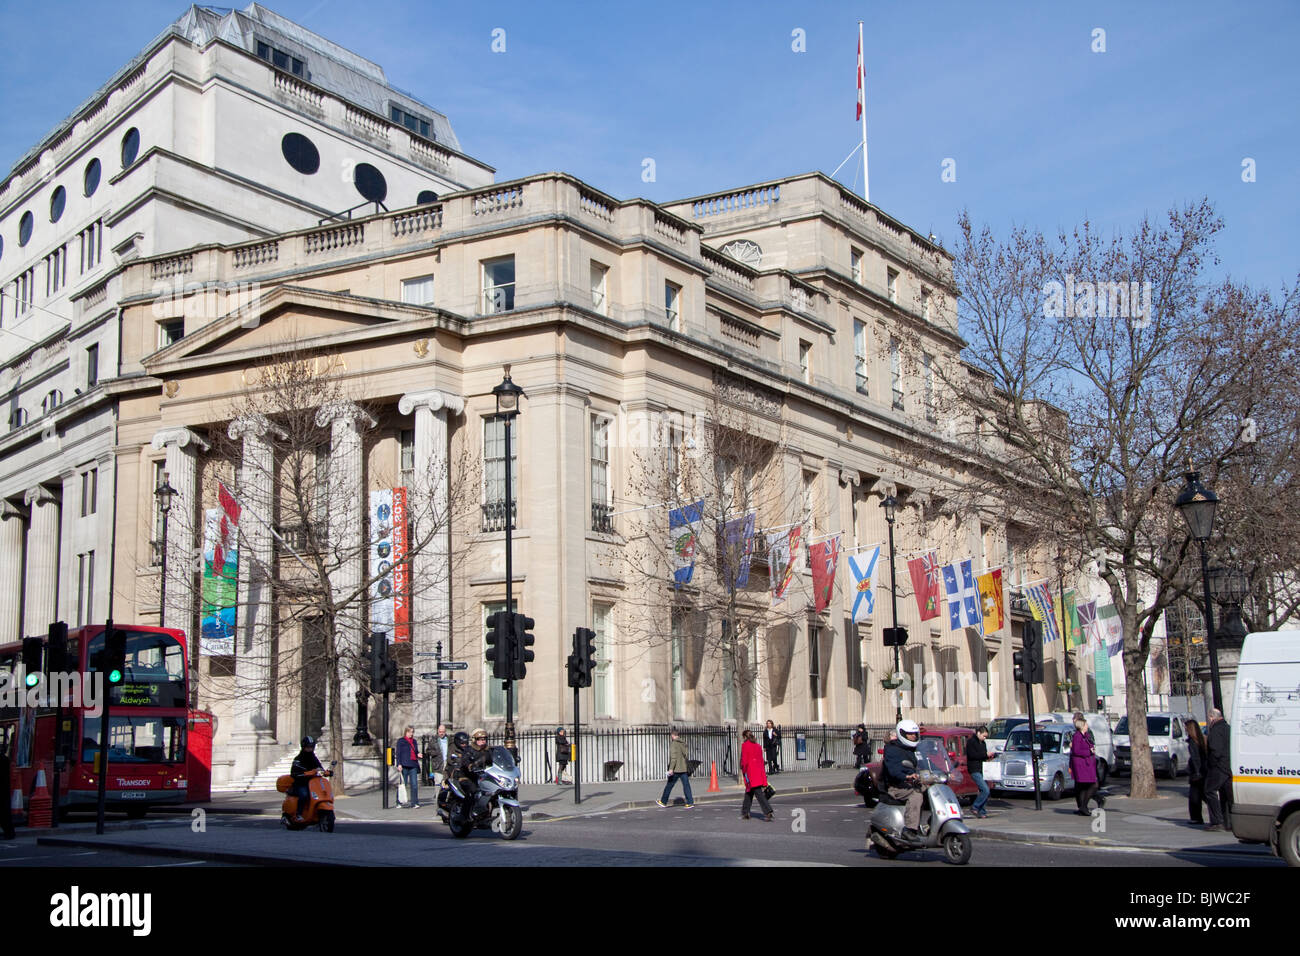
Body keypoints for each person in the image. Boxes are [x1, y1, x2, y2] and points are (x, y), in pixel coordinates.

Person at [882, 719, 925, 841]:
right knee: (916, 795)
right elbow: (893, 769)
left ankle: (931, 823)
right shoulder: (892, 749)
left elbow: (927, 762)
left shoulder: (913, 749)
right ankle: (909, 829)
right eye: (910, 734)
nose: (913, 736)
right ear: (902, 734)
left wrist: (942, 772)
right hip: (896, 786)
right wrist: (906, 776)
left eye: (915, 734)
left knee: (935, 789)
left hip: (911, 783)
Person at [1203, 709, 1232, 831]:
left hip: (1219, 767)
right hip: (1228, 766)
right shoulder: (1228, 728)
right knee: (1227, 795)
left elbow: (1216, 750)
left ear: (1211, 717)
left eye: (1209, 718)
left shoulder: (1215, 730)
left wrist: (1211, 764)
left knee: (1209, 791)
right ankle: (1228, 822)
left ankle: (1217, 821)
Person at [1069, 716, 1102, 815]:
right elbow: (1076, 750)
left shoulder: (1086, 735)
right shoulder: (1077, 736)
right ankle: (1083, 806)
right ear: (1082, 726)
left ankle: (1083, 807)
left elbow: (1090, 744)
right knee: (1093, 785)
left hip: (1088, 764)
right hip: (1081, 765)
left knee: (1084, 786)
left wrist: (1091, 748)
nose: (1087, 726)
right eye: (1086, 724)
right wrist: (1088, 751)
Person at [739, 729, 774, 821]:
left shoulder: (745, 746)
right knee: (749, 792)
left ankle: (768, 811)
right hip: (758, 771)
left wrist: (743, 769)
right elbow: (761, 760)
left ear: (745, 737)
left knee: (758, 793)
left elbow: (744, 761)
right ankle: (745, 812)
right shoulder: (758, 746)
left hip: (750, 772)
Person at [289, 736, 324, 823]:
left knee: (321, 793)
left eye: (311, 747)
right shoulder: (298, 759)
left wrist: (326, 772)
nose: (310, 749)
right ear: (303, 747)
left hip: (313, 783)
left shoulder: (313, 758)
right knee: (304, 794)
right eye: (308, 747)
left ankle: (316, 813)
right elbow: (294, 772)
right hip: (301, 783)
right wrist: (304, 774)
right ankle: (299, 814)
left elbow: (319, 767)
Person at [656, 729, 694, 808]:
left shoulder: (674, 744)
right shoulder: (683, 743)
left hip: (676, 769)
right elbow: (686, 755)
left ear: (673, 735)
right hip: (683, 768)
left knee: (669, 785)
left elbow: (673, 758)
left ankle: (663, 801)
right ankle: (690, 802)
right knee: (686, 785)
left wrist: (671, 769)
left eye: (671, 736)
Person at [966, 725, 992, 818]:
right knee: (985, 790)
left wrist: (988, 757)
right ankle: (975, 807)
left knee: (983, 790)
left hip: (982, 768)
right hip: (974, 769)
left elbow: (983, 756)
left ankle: (982, 812)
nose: (984, 738)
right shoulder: (971, 742)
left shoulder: (983, 743)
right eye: (983, 736)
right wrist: (985, 754)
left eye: (986, 736)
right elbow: (972, 755)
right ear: (978, 733)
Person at [1186, 718, 1207, 826]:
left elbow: (1195, 758)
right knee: (1202, 794)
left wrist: (1196, 771)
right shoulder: (1202, 739)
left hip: (1197, 773)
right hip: (1203, 771)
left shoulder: (1193, 742)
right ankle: (1197, 817)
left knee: (1195, 796)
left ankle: (1196, 817)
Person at [396, 725, 421, 809]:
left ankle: (414, 802)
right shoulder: (401, 741)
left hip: (413, 764)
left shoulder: (414, 741)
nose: (411, 734)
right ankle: (399, 802)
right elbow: (398, 753)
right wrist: (399, 764)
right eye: (410, 732)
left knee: (414, 785)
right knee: (403, 784)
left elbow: (416, 751)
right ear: (406, 732)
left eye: (412, 732)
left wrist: (418, 754)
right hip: (404, 765)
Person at [1, 739, 15, 840]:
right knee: (5, 813)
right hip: (4, 790)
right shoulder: (5, 759)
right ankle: (9, 832)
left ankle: (9, 832)